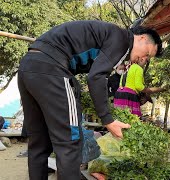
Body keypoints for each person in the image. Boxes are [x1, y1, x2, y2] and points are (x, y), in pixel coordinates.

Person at [17, 20, 162, 180]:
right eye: (147, 53)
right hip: (52, 69)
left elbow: (95, 73)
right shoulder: (123, 40)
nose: (143, 59)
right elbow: (96, 77)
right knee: (70, 143)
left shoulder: (110, 37)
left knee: (39, 143)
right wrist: (108, 119)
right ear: (141, 38)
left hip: (28, 66)